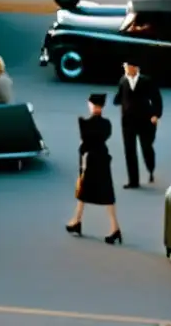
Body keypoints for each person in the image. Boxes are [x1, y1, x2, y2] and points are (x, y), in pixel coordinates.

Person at [66, 93, 122, 244]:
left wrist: (81, 164)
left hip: (91, 160)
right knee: (106, 194)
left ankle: (77, 222)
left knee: (83, 190)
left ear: (91, 105)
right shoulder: (107, 124)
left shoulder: (84, 123)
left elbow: (84, 144)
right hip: (103, 158)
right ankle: (114, 227)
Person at [113, 63, 162, 189]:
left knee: (146, 147)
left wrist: (156, 115)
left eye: (128, 67)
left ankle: (150, 169)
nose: (126, 69)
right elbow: (119, 97)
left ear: (135, 68)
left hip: (144, 120)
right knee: (130, 150)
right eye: (125, 67)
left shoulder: (146, 81)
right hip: (128, 122)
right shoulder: (123, 81)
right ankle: (133, 181)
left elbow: (156, 98)